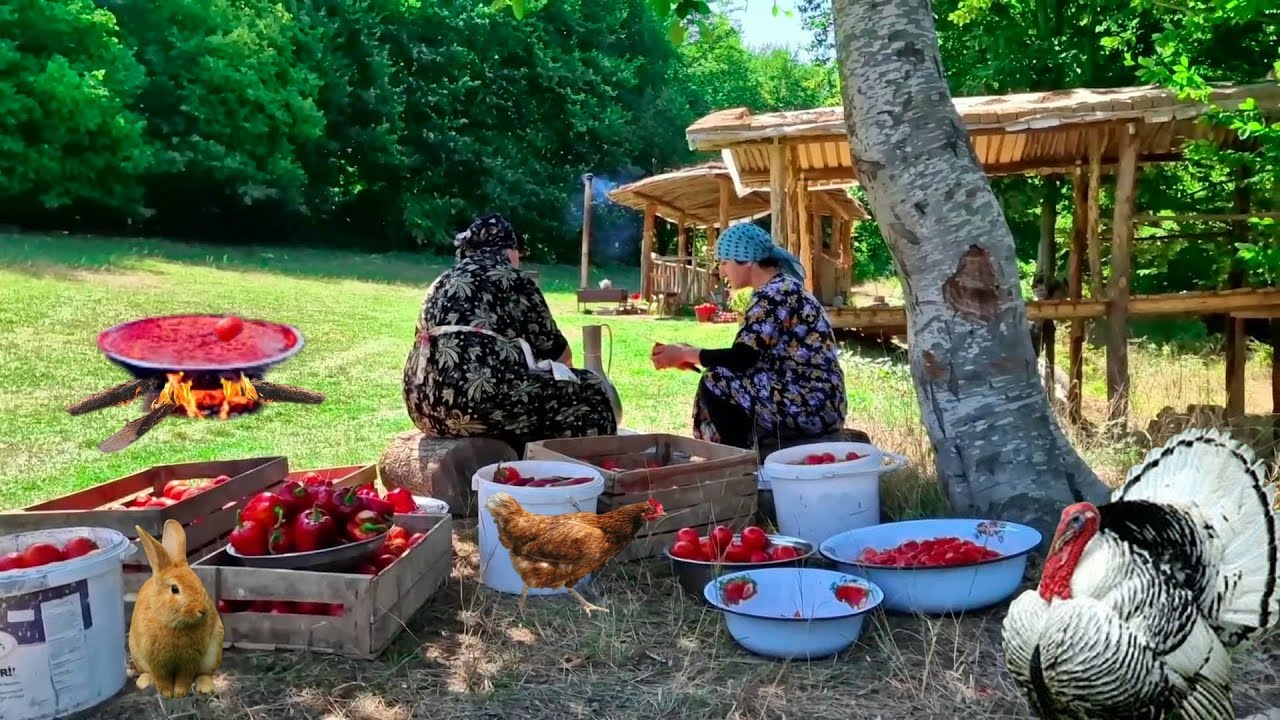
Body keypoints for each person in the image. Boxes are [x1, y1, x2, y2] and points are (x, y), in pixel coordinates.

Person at [403, 213, 620, 453]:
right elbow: (560, 355)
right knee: (590, 390)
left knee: (525, 390)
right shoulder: (511, 279)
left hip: (423, 407)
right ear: (508, 250)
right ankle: (588, 477)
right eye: (518, 252)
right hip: (471, 404)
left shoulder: (442, 280)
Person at [651, 222, 847, 450]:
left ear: (748, 261)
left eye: (725, 262)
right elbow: (752, 355)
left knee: (717, 380)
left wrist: (686, 353)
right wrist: (688, 354)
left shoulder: (775, 294)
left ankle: (741, 461)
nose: (721, 271)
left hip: (812, 403)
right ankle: (749, 453)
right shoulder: (780, 288)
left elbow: (743, 357)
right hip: (818, 399)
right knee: (720, 376)